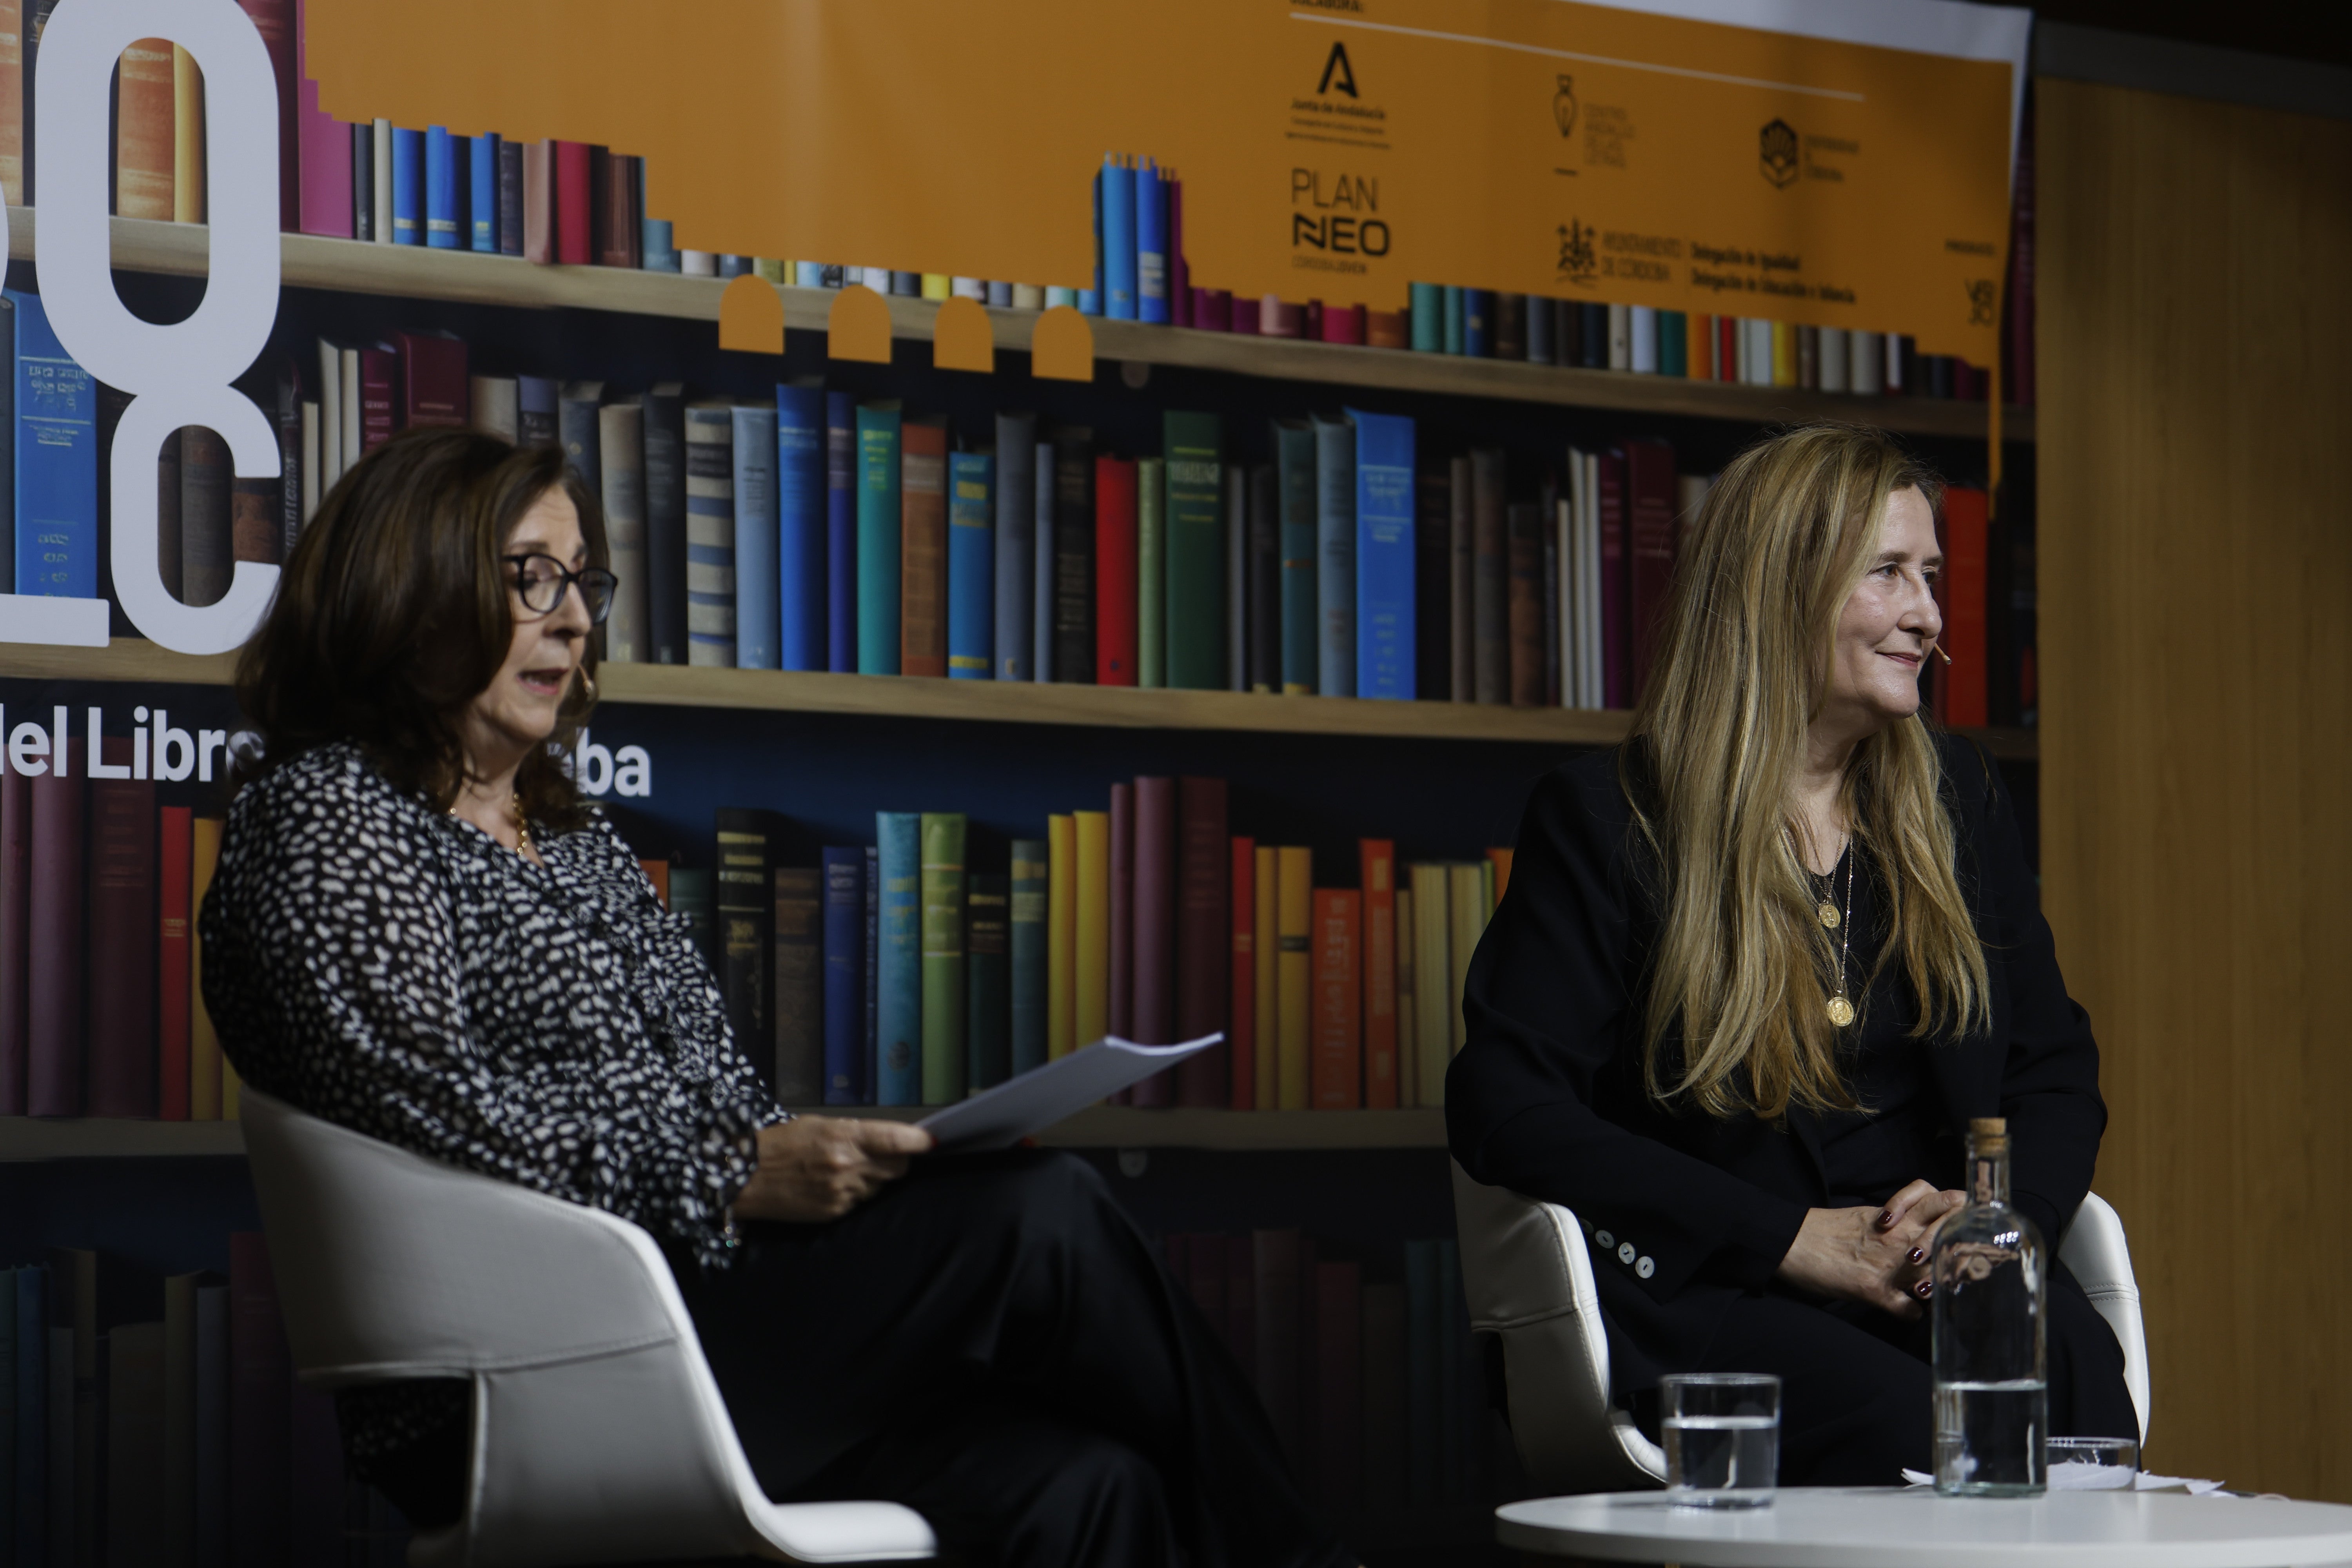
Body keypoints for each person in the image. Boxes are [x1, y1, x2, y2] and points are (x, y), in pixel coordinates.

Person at [202, 428, 1352, 1568]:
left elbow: (724, 1093)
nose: (574, 619)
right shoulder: (328, 812)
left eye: (583, 582)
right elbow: (418, 1104)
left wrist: (856, 1167)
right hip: (523, 1360)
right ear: (408, 586)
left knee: (1087, 1482)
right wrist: (732, 1171)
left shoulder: (572, 833)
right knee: (1040, 1214)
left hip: (705, 1301)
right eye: (528, 579)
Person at [1446, 425, 2136, 1484]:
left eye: (1933, 578)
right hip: (1719, 1291)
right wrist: (1789, 1239)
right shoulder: (1610, 820)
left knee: (2077, 1379)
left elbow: (2053, 1066)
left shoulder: (1959, 796)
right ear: (1784, 586)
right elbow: (1506, 1105)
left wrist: (2000, 1221)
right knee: (1920, 1431)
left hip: (1926, 1275)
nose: (1930, 617)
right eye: (1890, 575)